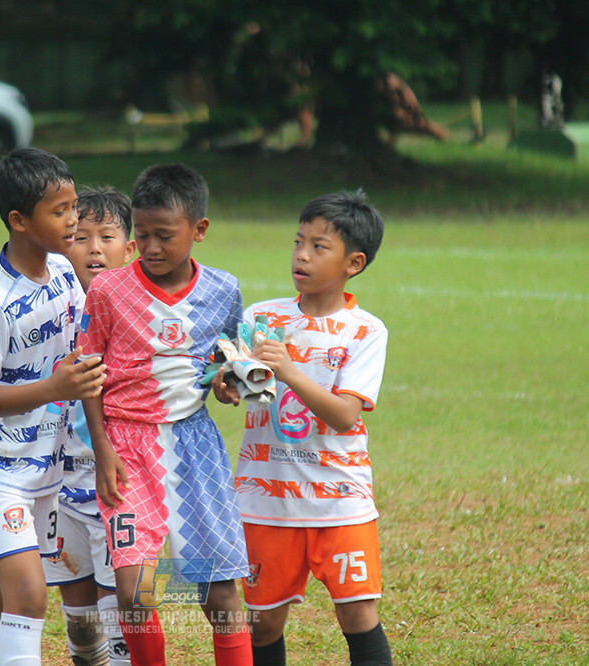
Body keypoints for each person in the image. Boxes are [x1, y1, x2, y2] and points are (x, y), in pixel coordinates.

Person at [79, 164, 253, 666]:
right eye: (142, 234)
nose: (150, 247)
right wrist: (102, 448)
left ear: (199, 230)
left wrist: (228, 383)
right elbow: (88, 373)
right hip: (125, 447)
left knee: (220, 593)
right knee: (134, 592)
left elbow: (227, 362)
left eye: (165, 236)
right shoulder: (108, 290)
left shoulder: (223, 290)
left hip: (196, 448)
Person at [216, 190, 393, 666]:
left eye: (319, 246)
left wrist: (290, 371)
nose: (302, 255)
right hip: (265, 500)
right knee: (264, 622)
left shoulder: (365, 330)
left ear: (353, 263)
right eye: (298, 242)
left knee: (358, 612)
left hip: (340, 498)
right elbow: (243, 388)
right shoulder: (261, 317)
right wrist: (226, 384)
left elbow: (345, 415)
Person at [0, 147, 108, 666]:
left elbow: (86, 352)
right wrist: (52, 388)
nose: (74, 219)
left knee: (1, 597)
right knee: (30, 596)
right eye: (59, 211)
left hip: (44, 470)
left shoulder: (62, 270)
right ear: (19, 221)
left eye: (73, 206)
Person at [42, 186, 137, 666]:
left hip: (119, 483)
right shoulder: (52, 306)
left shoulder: (137, 311)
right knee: (78, 617)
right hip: (59, 485)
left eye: (107, 237)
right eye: (81, 237)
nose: (94, 249)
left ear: (130, 248)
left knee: (122, 606)